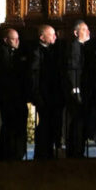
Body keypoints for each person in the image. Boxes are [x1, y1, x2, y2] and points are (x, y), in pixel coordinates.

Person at [0, 27, 28, 161]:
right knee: (9, 125)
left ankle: (17, 151)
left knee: (18, 124)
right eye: (13, 39)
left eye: (18, 39)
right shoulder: (0, 54)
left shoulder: (19, 53)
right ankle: (9, 152)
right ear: (6, 40)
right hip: (8, 96)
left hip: (18, 95)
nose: (17, 41)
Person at [30, 24, 65, 160]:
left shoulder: (54, 50)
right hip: (45, 96)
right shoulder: (37, 52)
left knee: (55, 124)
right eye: (51, 34)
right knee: (45, 125)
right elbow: (35, 76)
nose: (55, 37)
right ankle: (43, 153)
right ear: (42, 37)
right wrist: (37, 95)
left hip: (55, 95)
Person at [65, 20, 95, 157]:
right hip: (78, 90)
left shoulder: (84, 47)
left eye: (87, 29)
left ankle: (79, 150)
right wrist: (75, 88)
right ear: (76, 33)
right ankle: (75, 151)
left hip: (84, 89)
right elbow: (73, 69)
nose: (87, 32)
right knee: (77, 121)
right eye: (83, 29)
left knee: (82, 121)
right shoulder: (74, 47)